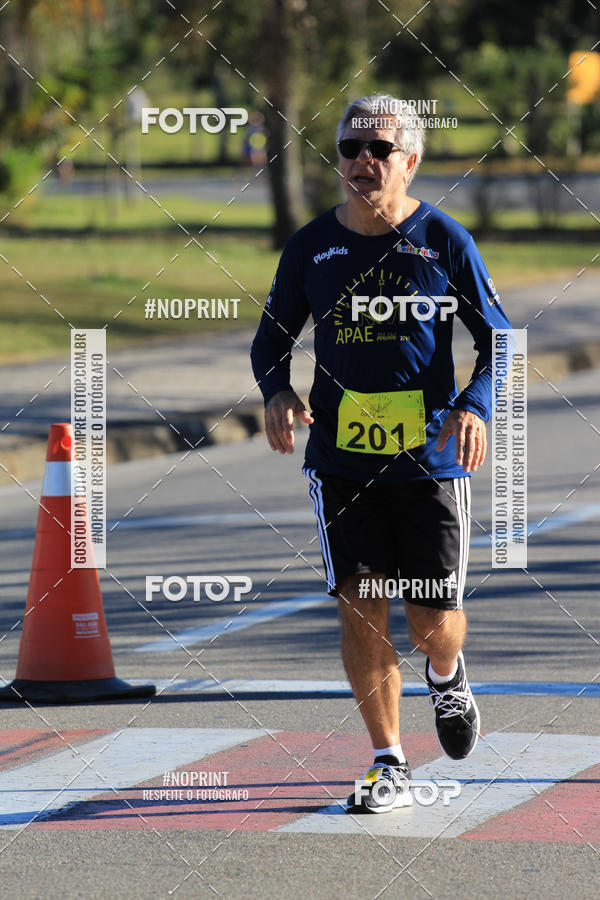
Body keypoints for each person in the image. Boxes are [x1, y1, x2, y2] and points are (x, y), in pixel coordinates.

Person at [250, 94, 512, 814]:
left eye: (380, 150)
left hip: (430, 462)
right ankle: (388, 761)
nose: (362, 161)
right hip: (343, 462)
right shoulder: (312, 247)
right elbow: (270, 340)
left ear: (411, 161)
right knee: (362, 607)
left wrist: (473, 406)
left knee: (429, 620)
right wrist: (276, 391)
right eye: (349, 149)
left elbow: (499, 339)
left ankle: (449, 671)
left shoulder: (444, 240)